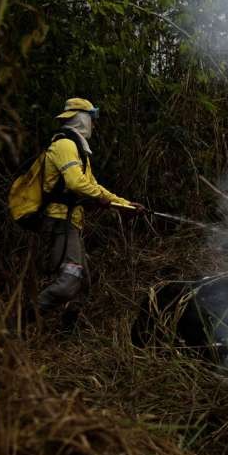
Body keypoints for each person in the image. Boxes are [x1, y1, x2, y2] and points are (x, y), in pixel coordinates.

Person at [36, 97, 145, 315]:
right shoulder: (65, 145)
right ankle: (22, 316)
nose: (94, 125)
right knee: (70, 281)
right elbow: (76, 183)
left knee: (83, 282)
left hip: (71, 221)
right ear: (81, 119)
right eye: (92, 119)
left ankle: (66, 332)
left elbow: (93, 185)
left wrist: (124, 205)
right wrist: (100, 199)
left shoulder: (77, 148)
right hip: (60, 221)